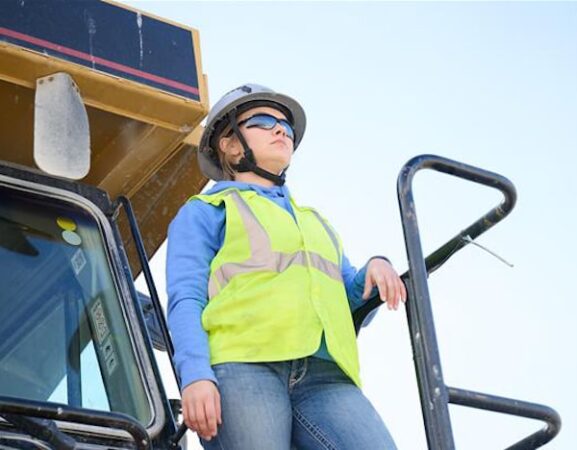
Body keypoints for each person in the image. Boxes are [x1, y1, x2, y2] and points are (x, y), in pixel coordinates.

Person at [166, 83, 406, 449]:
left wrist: (375, 268)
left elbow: (347, 303)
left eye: (286, 126)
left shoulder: (315, 222)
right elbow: (186, 298)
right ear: (229, 144)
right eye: (263, 121)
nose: (281, 130)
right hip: (245, 367)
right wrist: (196, 375)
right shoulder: (205, 210)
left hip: (325, 375)